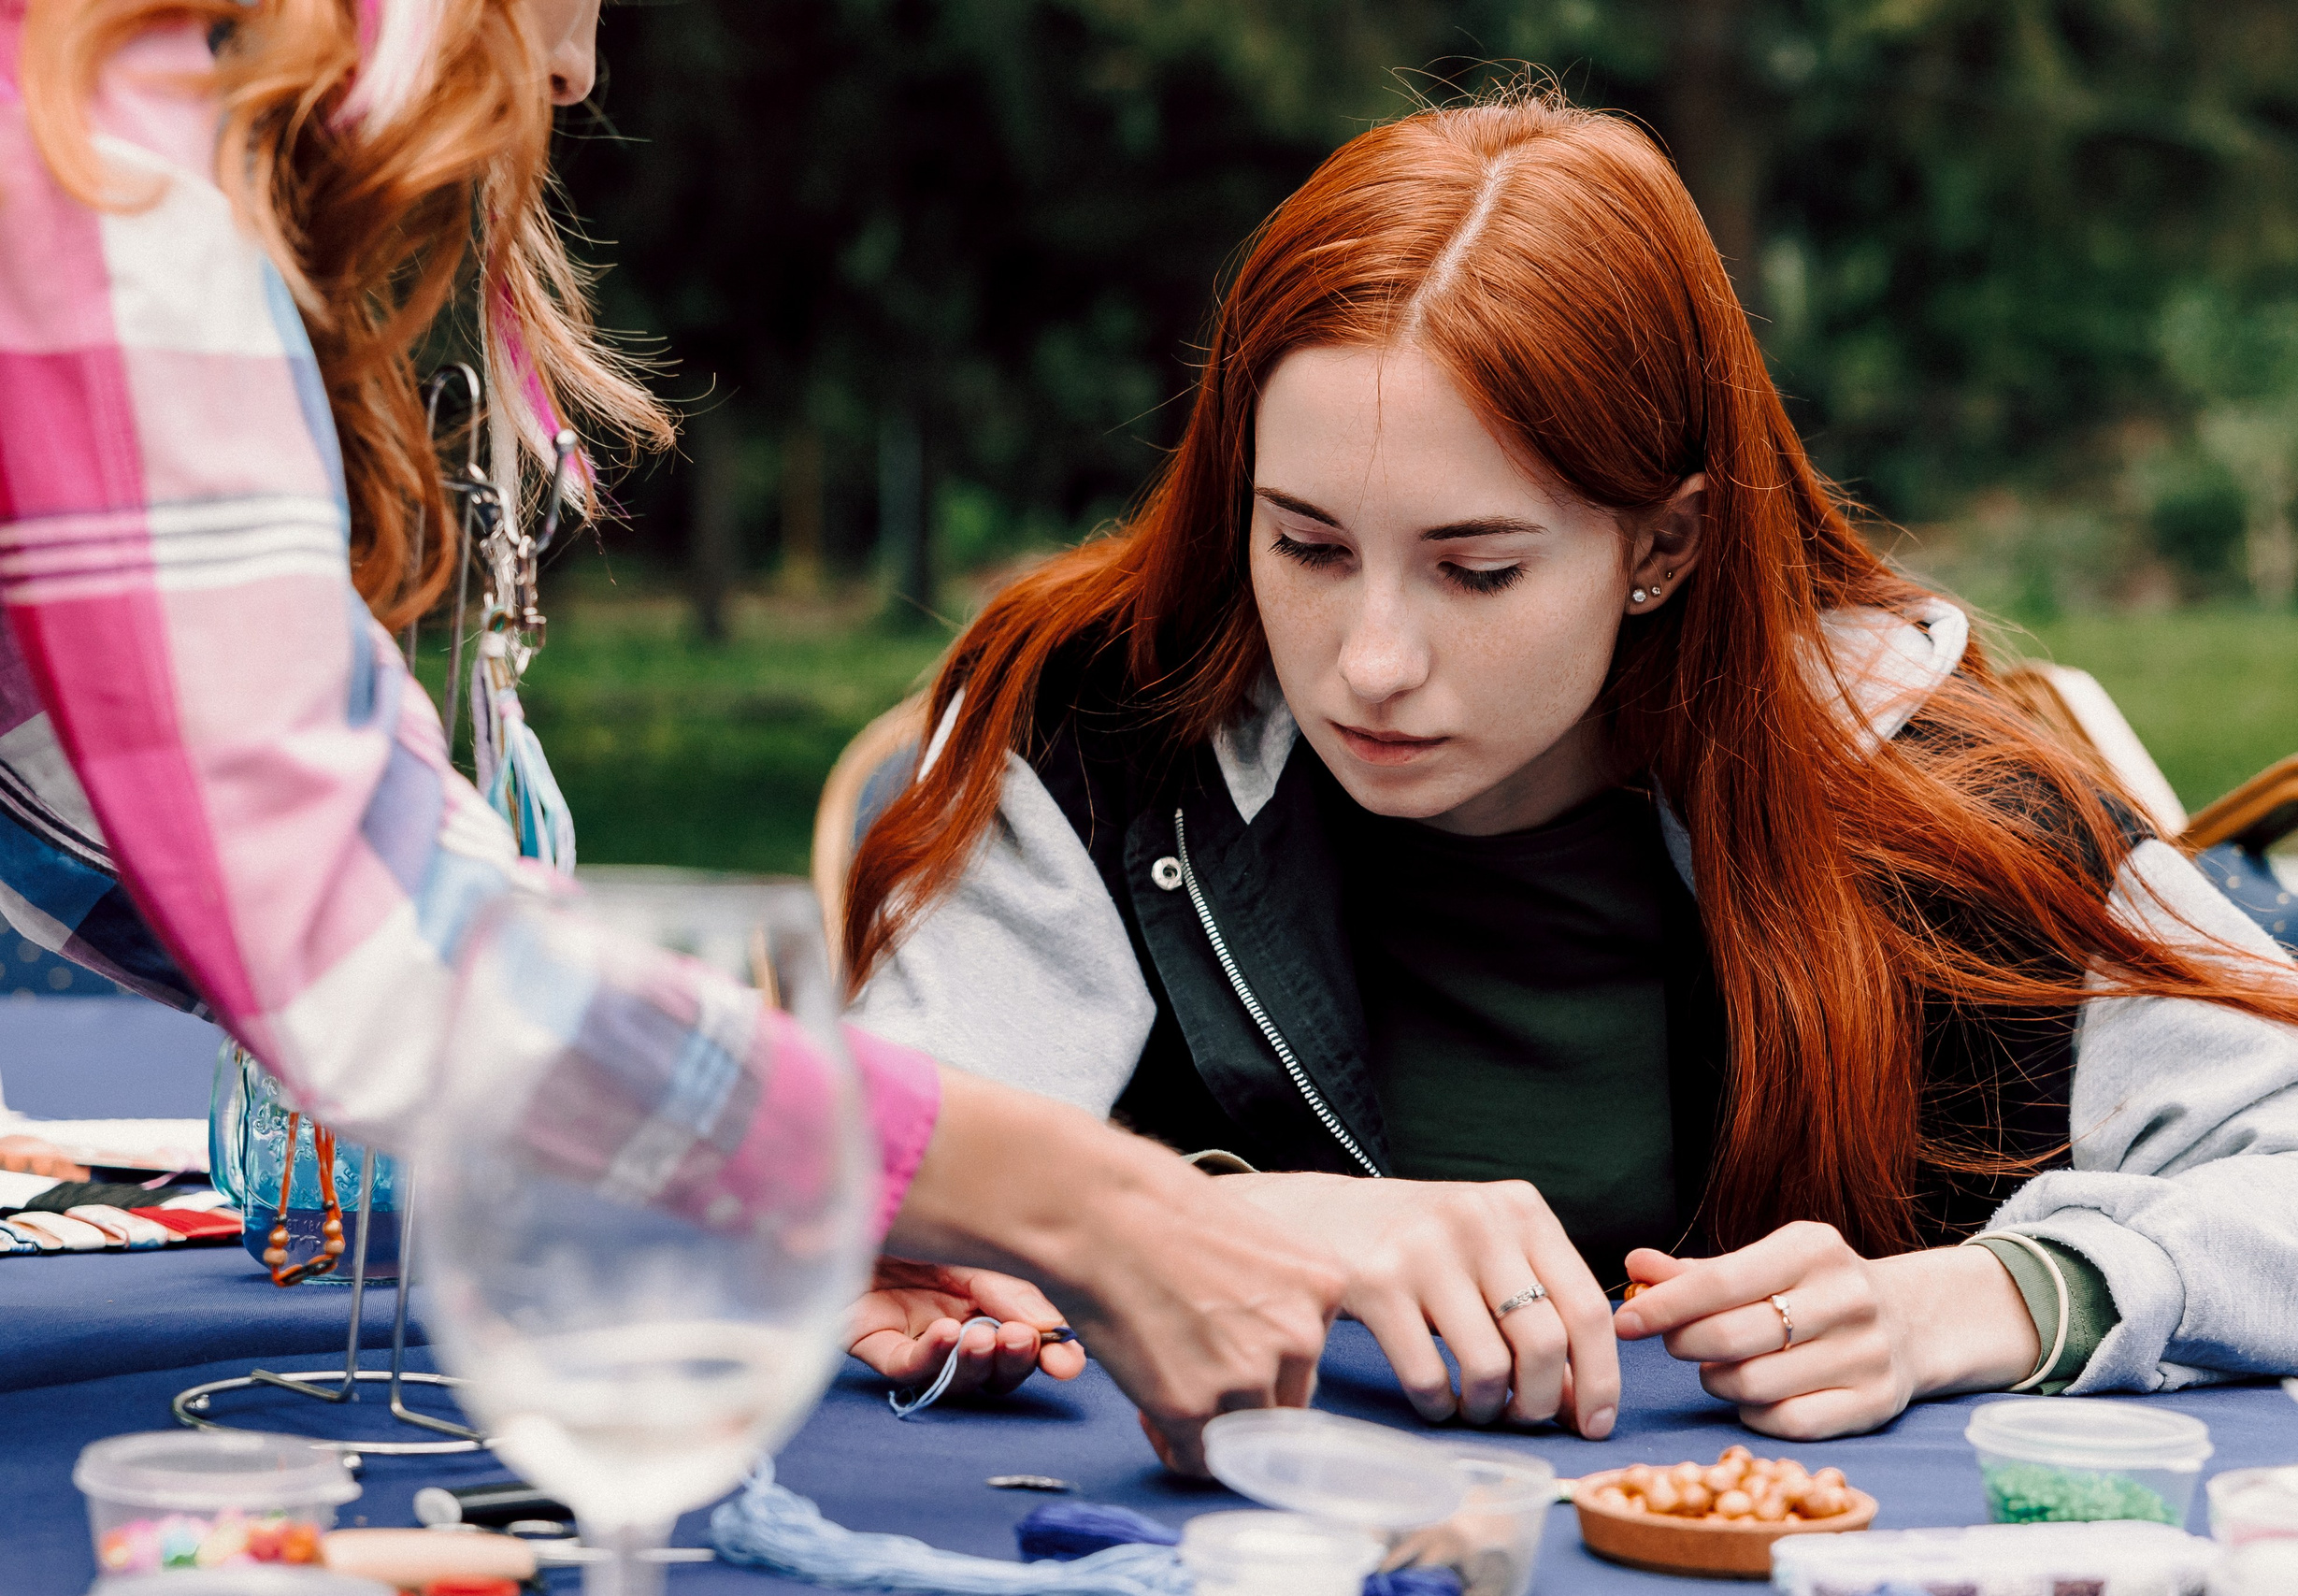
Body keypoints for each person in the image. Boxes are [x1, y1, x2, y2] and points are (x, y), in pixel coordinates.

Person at [840, 93, 2298, 1443]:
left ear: (1665, 543)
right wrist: (1232, 1226)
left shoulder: (1927, 796)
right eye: (1307, 543)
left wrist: (1978, 1302)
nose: (1368, 657)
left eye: (1477, 569)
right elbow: (844, 1157)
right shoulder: (1116, 738)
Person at [0, 0, 1342, 1473]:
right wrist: (1077, 1200)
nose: (576, 70)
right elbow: (356, 938)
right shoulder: (89, 169)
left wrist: (810, 1179)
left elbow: (191, 824)